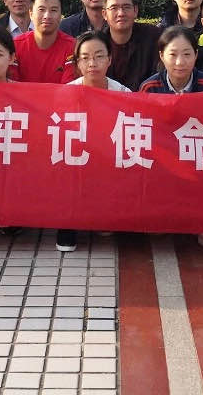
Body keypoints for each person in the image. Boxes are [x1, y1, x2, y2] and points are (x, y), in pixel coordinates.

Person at [57, 30, 128, 252]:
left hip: (109, 160)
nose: (92, 63)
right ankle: (68, 222)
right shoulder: (66, 93)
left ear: (109, 59)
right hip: (76, 161)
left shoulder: (124, 93)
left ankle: (105, 214)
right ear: (77, 63)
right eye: (85, 57)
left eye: (99, 56)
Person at [13, 0, 76, 84]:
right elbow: (10, 85)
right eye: (41, 10)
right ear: (31, 14)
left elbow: (69, 88)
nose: (47, 16)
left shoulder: (73, 47)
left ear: (61, 15)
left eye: (53, 10)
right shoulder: (15, 46)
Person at [102, 0, 160, 90]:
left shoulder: (155, 37)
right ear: (105, 14)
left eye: (126, 7)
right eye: (114, 8)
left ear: (135, 10)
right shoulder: (97, 43)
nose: (121, 13)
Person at [139, 27, 203, 94]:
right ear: (162, 56)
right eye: (173, 54)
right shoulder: (149, 88)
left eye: (186, 54)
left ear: (196, 55)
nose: (180, 62)